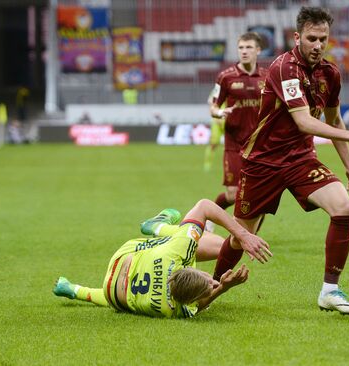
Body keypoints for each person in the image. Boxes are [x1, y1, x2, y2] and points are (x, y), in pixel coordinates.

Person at [212, 7, 349, 315]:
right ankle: (210, 287)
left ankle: (330, 291)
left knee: (344, 207)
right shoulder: (284, 67)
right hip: (263, 163)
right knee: (241, 238)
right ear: (297, 37)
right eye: (311, 38)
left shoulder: (330, 74)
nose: (318, 45)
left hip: (301, 160)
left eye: (323, 39)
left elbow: (335, 120)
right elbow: (305, 122)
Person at [53, 200, 270, 319]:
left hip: (122, 257)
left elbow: (205, 205)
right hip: (112, 294)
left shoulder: (177, 252)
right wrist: (222, 288)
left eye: (208, 280)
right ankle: (72, 290)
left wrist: (242, 235)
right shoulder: (172, 310)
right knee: (123, 298)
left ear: (188, 267)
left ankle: (156, 227)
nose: (212, 281)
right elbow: (201, 304)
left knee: (189, 239)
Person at [208, 32, 268, 223]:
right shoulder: (226, 77)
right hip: (234, 145)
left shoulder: (268, 76)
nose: (244, 51)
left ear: (258, 50)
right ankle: (210, 216)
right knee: (233, 194)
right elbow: (214, 106)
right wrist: (218, 113)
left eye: (249, 47)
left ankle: (252, 234)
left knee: (260, 193)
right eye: (241, 47)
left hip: (260, 146)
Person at [203, 87, 226, 172]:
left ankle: (228, 164)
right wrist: (216, 117)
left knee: (231, 145)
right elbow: (211, 104)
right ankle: (207, 164)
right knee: (214, 143)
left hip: (229, 120)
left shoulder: (233, 86)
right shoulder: (216, 89)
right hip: (217, 121)